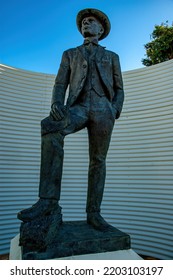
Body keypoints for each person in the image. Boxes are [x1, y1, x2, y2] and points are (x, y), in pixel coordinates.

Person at [18, 8, 124, 230]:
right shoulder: (70, 53)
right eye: (83, 22)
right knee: (50, 127)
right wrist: (56, 103)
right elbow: (60, 83)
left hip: (104, 109)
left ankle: (94, 213)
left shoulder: (112, 57)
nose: (86, 23)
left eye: (91, 21)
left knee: (98, 160)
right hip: (78, 107)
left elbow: (119, 88)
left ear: (101, 29)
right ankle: (47, 201)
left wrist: (115, 109)